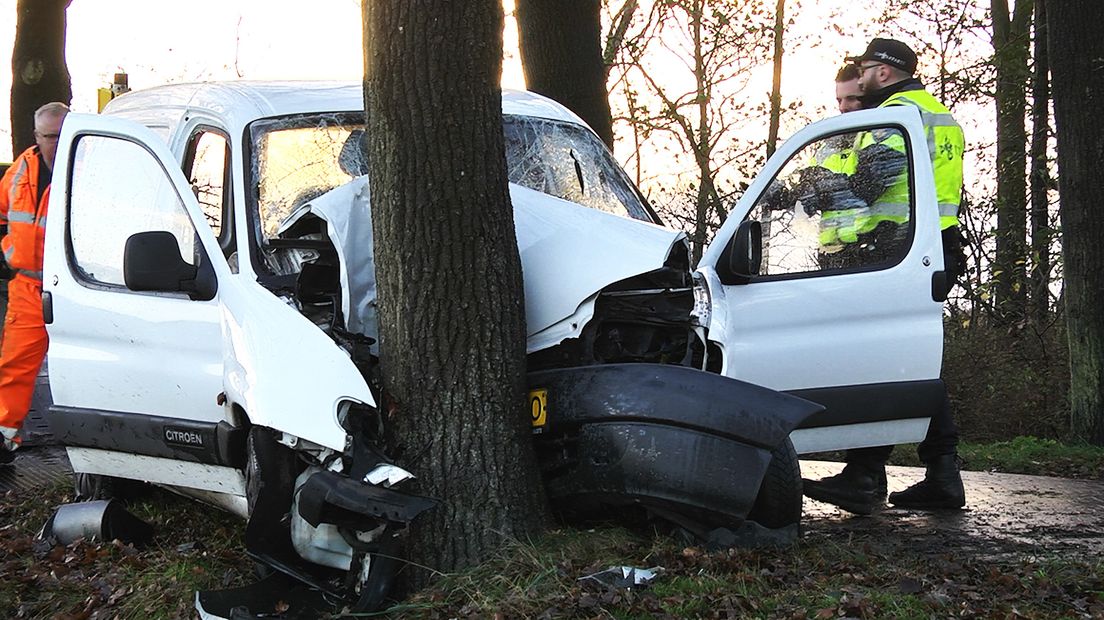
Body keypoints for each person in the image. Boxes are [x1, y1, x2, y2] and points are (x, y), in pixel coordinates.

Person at [802, 38, 967, 514]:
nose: (851, 101)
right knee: (901, 361)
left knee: (891, 361)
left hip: (897, 245)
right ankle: (929, 475)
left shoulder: (896, 115)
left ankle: (869, 475)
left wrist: (821, 187)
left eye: (869, 71)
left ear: (884, 72)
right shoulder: (939, 115)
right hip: (929, 244)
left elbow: (872, 184)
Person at [0, 102, 69, 463]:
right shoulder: (21, 170)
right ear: (37, 137)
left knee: (84, 363)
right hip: (28, 286)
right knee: (15, 365)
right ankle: (4, 438)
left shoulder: (86, 167)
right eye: (50, 136)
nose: (57, 143)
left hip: (75, 287)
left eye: (62, 134)